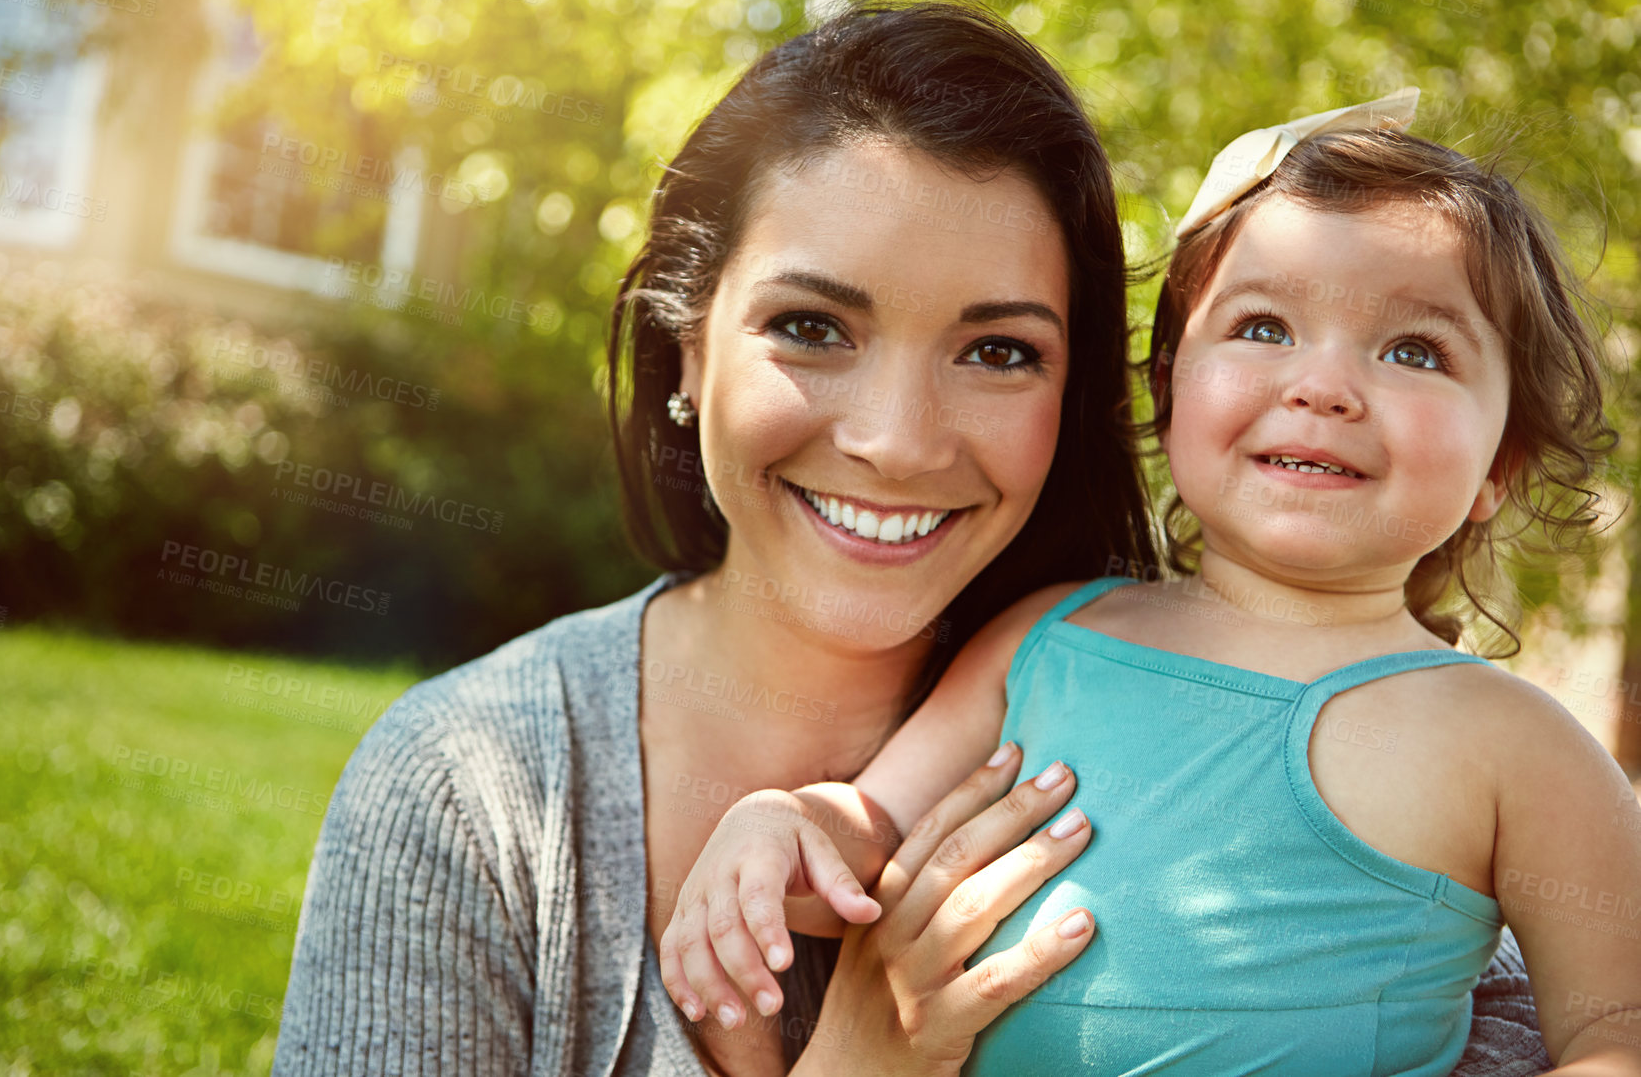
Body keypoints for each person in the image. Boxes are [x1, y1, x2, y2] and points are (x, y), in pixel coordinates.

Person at [273, 0, 1549, 1077]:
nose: (895, 439)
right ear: (684, 344)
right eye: (812, 327)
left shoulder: (1290, 744)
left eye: (998, 351)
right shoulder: (472, 792)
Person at [659, 93, 1635, 1075]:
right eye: (1262, 327)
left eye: (1413, 350)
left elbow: (1617, 1033)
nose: (1323, 385)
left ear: (1497, 465)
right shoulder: (1049, 634)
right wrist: (784, 824)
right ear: (1168, 389)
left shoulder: (1518, 746)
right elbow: (869, 838)